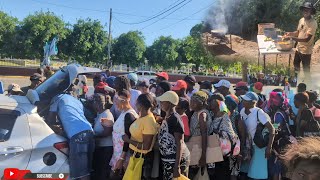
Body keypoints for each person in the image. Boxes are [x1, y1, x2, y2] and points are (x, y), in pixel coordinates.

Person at [46, 89, 94, 180]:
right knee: (86, 170)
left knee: (80, 173)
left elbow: (50, 120)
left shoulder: (56, 99)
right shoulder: (75, 100)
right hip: (89, 132)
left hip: (78, 136)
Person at [239, 92, 275, 180]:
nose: (243, 101)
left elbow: (272, 129)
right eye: (243, 99)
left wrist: (269, 147)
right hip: (247, 146)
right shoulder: (242, 111)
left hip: (258, 146)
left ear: (253, 102)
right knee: (246, 171)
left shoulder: (259, 112)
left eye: (246, 100)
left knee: (257, 174)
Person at [122, 93, 158, 179]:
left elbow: (146, 146)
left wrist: (128, 140)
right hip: (135, 155)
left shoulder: (149, 121)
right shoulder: (142, 117)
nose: (135, 104)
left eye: (136, 102)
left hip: (142, 159)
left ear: (141, 105)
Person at [157, 91, 190, 180]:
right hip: (168, 160)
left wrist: (177, 167)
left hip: (175, 161)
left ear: (170, 103)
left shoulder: (175, 119)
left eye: (163, 102)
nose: (161, 103)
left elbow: (180, 143)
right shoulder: (168, 117)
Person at [285, 2, 318, 86]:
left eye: (308, 10)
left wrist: (291, 38)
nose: (305, 11)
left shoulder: (313, 23)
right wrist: (291, 33)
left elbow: (307, 39)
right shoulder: (301, 20)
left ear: (311, 11)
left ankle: (308, 87)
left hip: (306, 51)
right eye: (304, 9)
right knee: (296, 65)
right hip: (298, 48)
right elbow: (298, 32)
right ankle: (297, 81)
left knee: (306, 69)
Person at [208, 93, 238, 180]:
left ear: (217, 102)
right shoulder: (213, 114)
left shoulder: (223, 116)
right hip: (215, 154)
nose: (208, 103)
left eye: (211, 101)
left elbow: (231, 135)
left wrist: (217, 132)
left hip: (223, 156)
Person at [109, 90, 139, 178]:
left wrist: (122, 158)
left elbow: (127, 137)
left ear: (124, 101)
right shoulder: (124, 112)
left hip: (123, 155)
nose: (115, 104)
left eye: (116, 101)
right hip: (117, 154)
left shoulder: (129, 115)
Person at [266, 92, 292, 180]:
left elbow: (276, 129)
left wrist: (269, 143)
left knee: (276, 168)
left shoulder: (278, 114)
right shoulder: (282, 111)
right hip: (280, 142)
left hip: (278, 144)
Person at [188, 91, 213, 179]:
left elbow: (204, 135)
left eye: (194, 102)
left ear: (201, 103)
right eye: (191, 101)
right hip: (194, 147)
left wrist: (203, 155)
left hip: (198, 149)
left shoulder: (202, 114)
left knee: (193, 174)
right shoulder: (196, 112)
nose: (191, 104)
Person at [92, 94, 114, 180]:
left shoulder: (106, 115)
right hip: (101, 147)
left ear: (97, 103)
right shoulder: (99, 114)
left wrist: (94, 135)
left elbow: (108, 132)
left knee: (103, 171)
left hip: (106, 148)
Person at [225, 94, 246, 180]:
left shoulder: (237, 116)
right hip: (225, 149)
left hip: (235, 149)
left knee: (233, 174)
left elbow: (242, 135)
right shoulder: (223, 115)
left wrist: (240, 151)